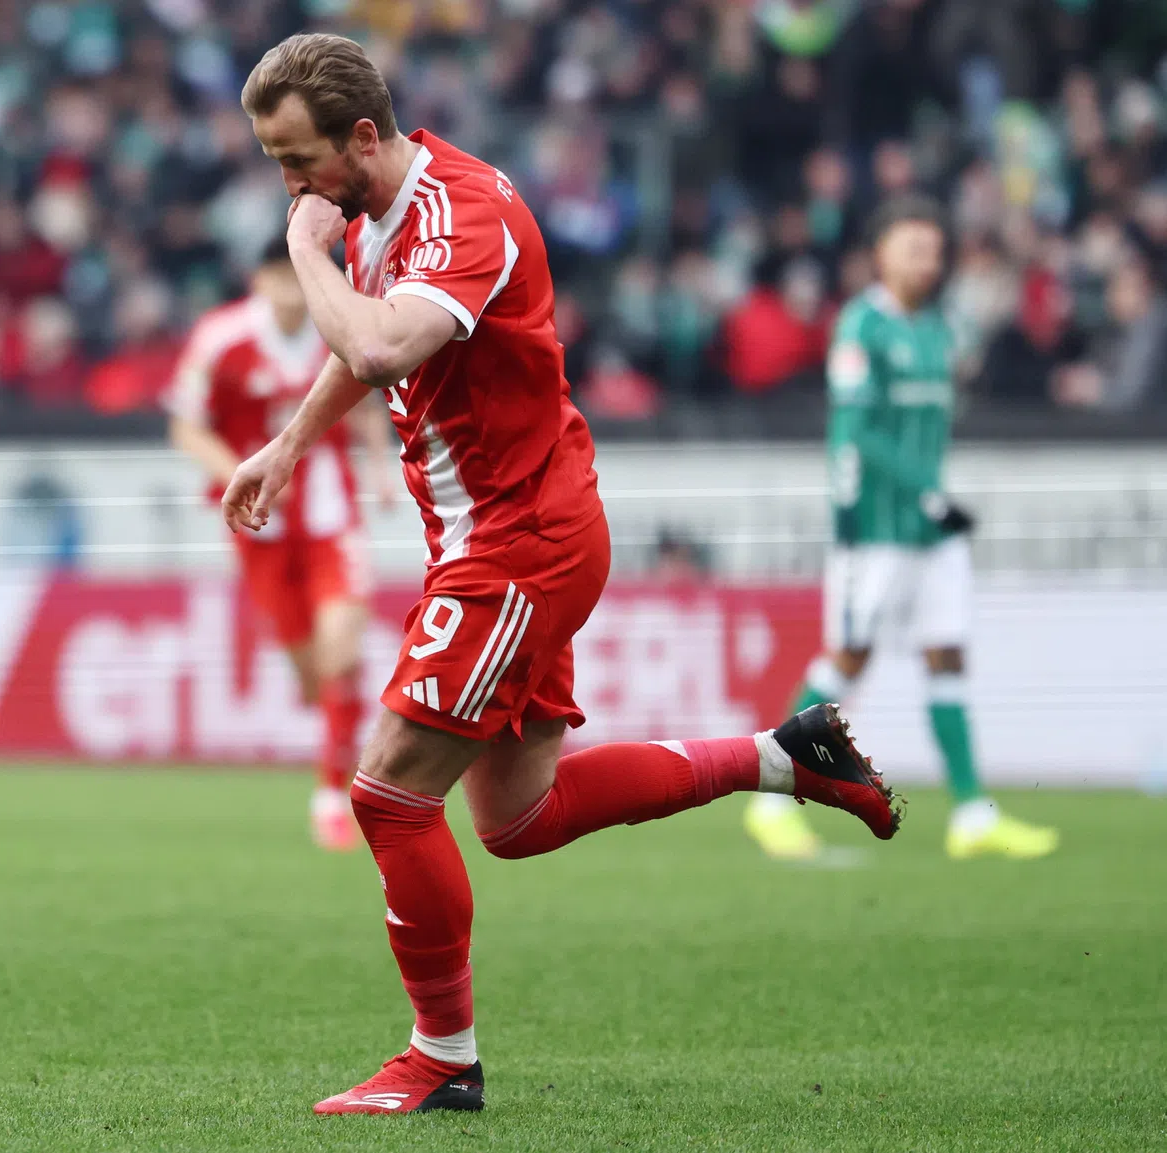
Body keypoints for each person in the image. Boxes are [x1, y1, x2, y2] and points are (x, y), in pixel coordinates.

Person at [224, 33, 902, 1116]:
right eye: (273, 163)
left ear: (363, 135)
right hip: (502, 534)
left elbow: (389, 343)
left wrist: (303, 249)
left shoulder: (462, 214)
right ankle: (786, 758)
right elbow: (364, 353)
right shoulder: (371, 217)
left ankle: (442, 1057)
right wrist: (291, 441)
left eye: (297, 160)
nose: (289, 185)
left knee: (389, 793)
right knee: (517, 817)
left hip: (519, 539)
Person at [745, 197, 1059, 863]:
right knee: (848, 659)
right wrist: (912, 496)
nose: (927, 260)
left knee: (947, 654)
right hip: (880, 531)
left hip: (931, 530)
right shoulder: (863, 326)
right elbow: (852, 435)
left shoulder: (940, 329)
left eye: (934, 249)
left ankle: (973, 813)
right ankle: (767, 801)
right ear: (881, 252)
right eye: (913, 247)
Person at [168, 237, 391, 850]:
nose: (293, 291)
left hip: (331, 517)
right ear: (260, 280)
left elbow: (368, 394)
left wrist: (376, 468)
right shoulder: (221, 339)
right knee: (311, 673)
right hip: (259, 529)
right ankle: (340, 720)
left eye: (300, 277)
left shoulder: (338, 321)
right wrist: (230, 471)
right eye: (280, 277)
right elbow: (185, 426)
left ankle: (332, 796)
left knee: (340, 647)